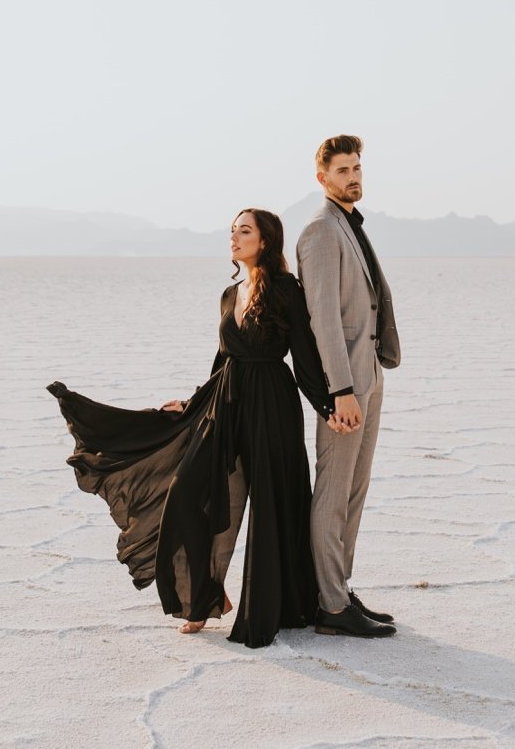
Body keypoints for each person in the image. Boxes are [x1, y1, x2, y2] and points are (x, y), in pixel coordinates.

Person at [47, 208, 335, 648]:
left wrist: (330, 404)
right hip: (227, 401)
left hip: (273, 403)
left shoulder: (285, 290)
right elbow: (224, 359)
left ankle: (280, 605)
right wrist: (194, 399)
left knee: (274, 505)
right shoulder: (229, 293)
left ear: (266, 240)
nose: (234, 239)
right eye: (232, 232)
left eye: (244, 231)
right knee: (186, 493)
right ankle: (203, 598)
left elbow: (305, 355)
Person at [296, 134, 401, 638]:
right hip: (346, 386)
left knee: (355, 491)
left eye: (357, 168)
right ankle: (330, 606)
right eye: (342, 171)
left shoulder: (350, 225)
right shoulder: (320, 231)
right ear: (322, 179)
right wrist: (340, 391)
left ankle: (340, 588)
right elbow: (324, 321)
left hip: (370, 375)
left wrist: (367, 377)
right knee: (333, 491)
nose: (354, 177)